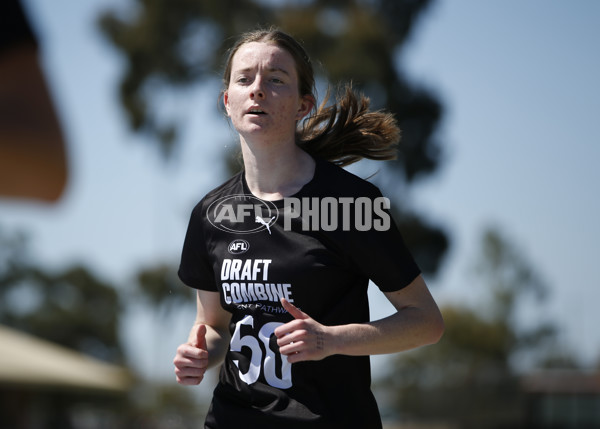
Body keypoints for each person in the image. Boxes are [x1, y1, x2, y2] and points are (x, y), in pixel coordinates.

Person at [174, 28, 444, 429]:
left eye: (276, 79)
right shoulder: (210, 213)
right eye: (244, 79)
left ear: (304, 105)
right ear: (227, 102)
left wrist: (330, 339)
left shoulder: (351, 204)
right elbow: (212, 325)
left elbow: (425, 321)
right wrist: (199, 353)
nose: (258, 90)